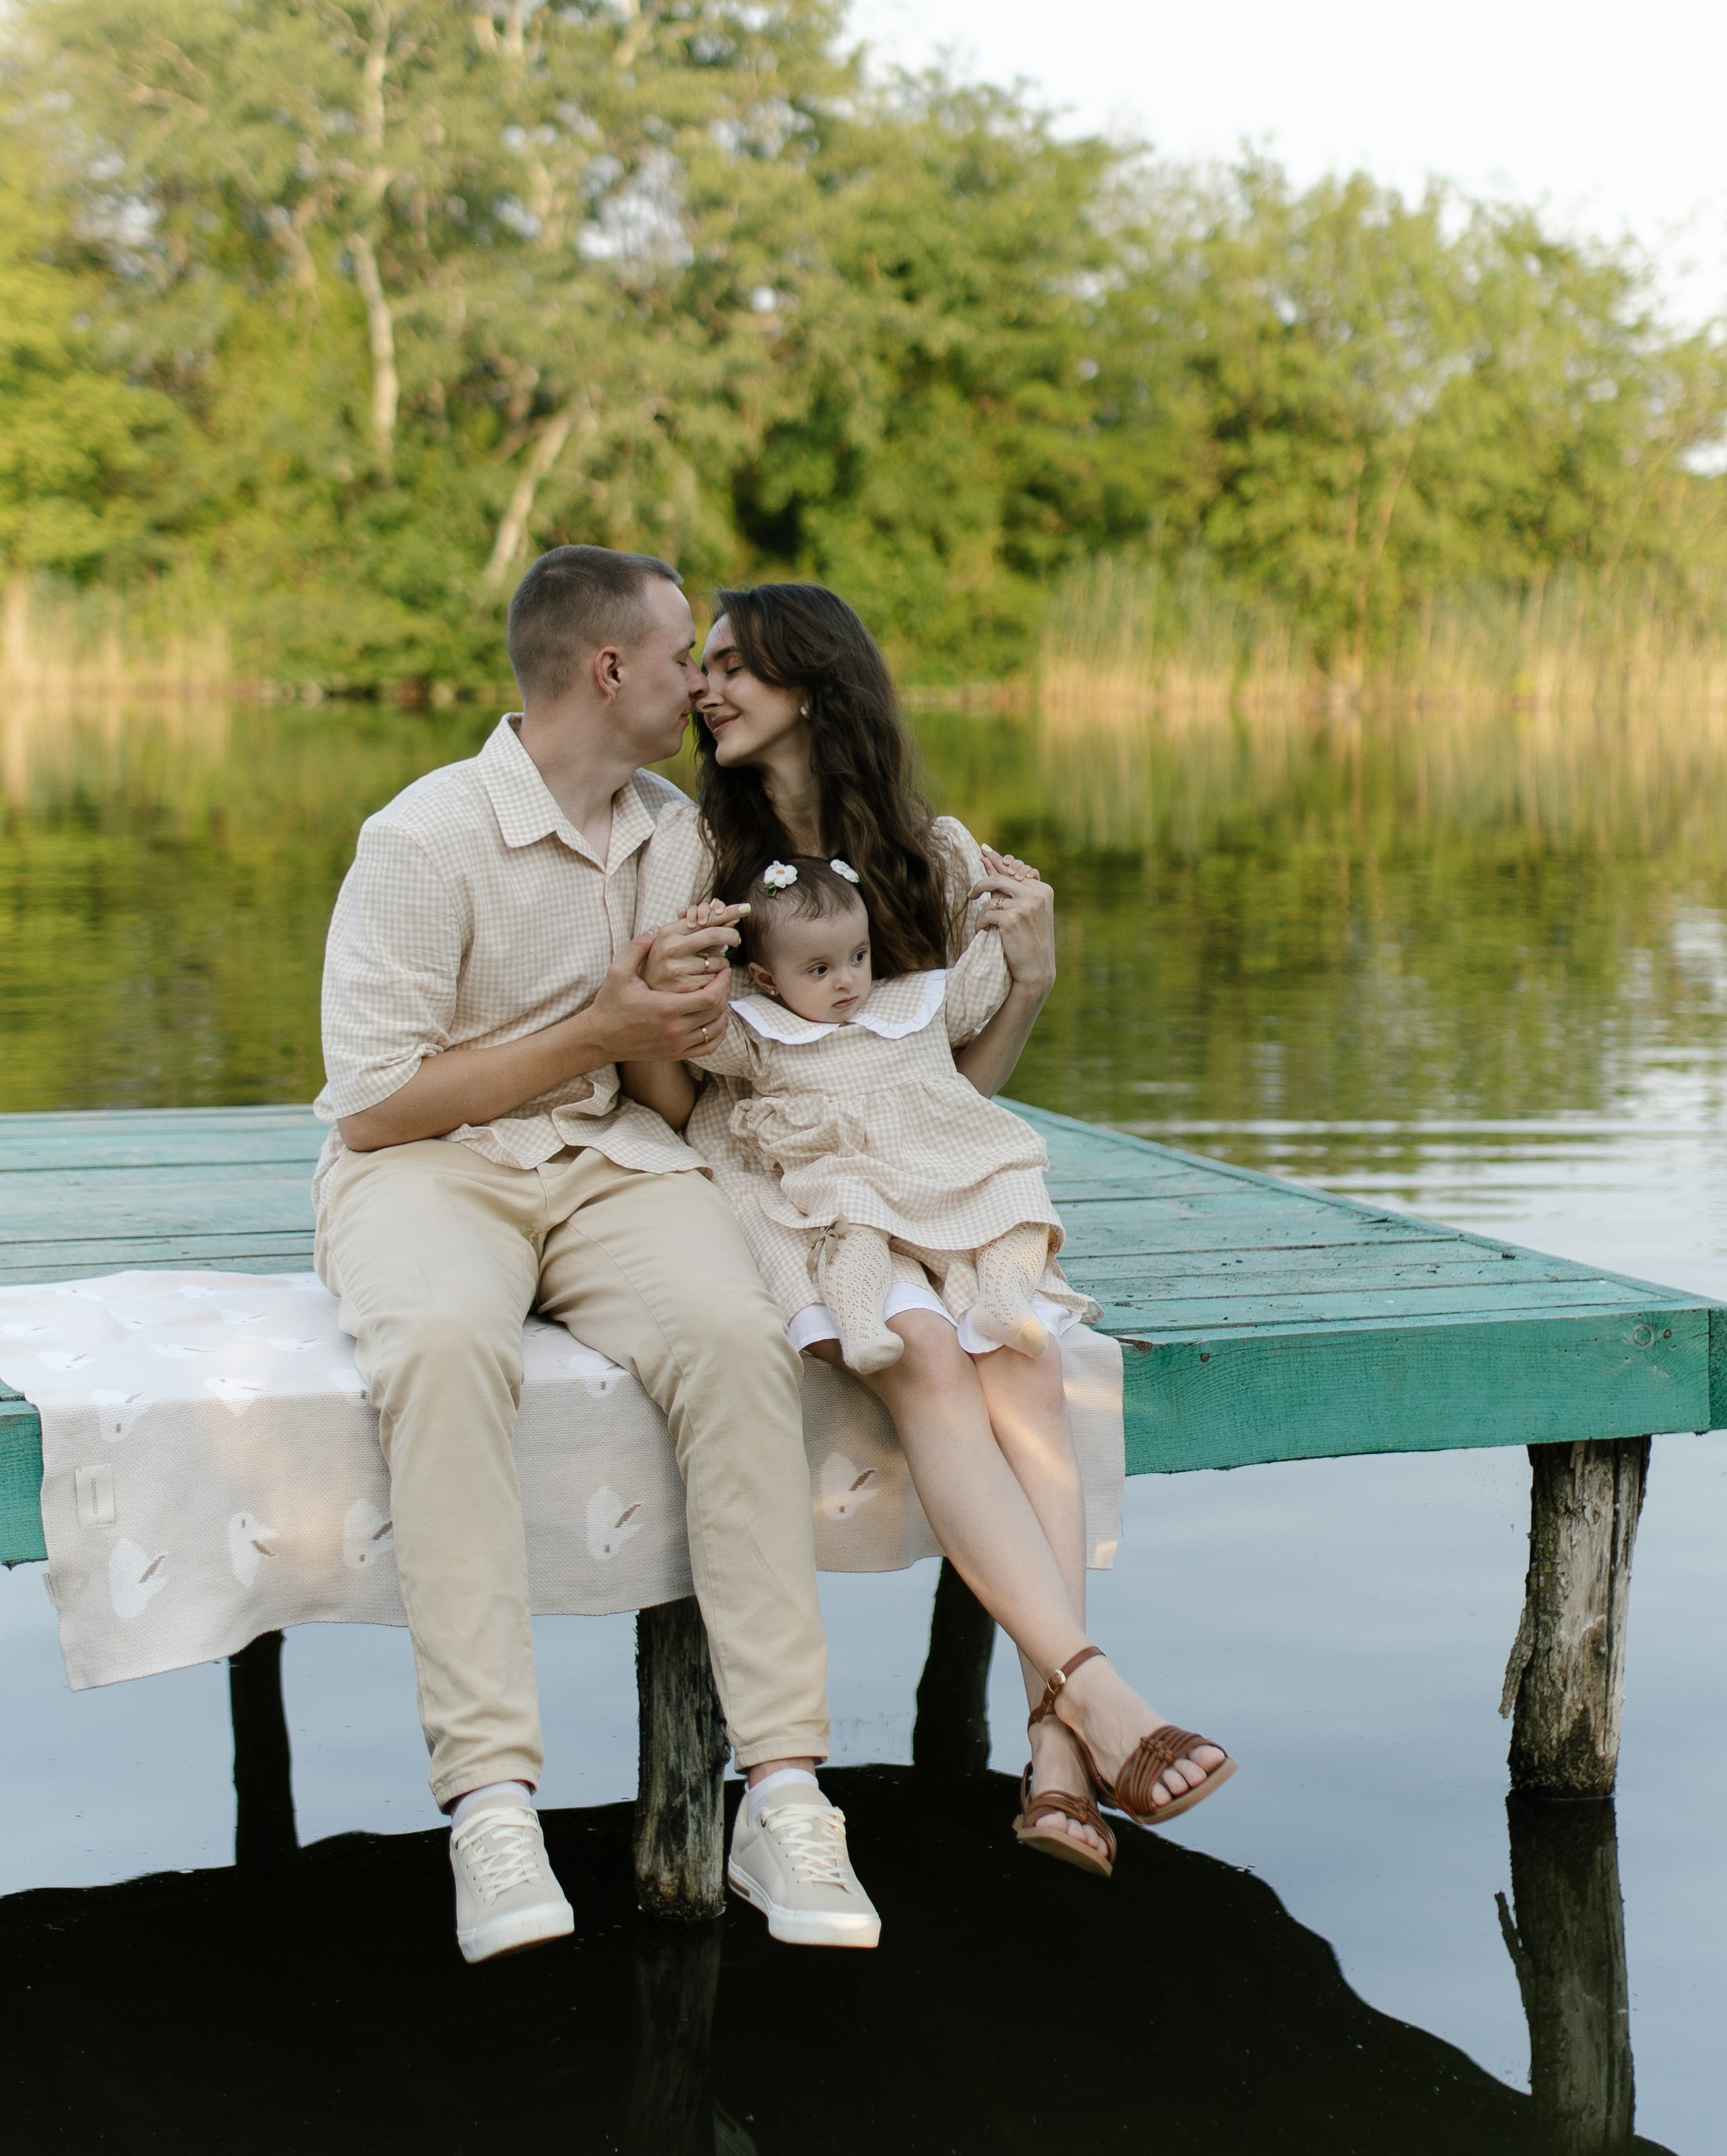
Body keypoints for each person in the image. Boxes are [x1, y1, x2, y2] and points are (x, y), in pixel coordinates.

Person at [312, 546, 880, 1962]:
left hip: (610, 1156)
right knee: (445, 1346)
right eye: (684, 657)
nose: (701, 683)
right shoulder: (422, 838)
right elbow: (375, 1106)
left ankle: (785, 1794)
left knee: (737, 1337)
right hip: (427, 1166)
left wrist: (675, 1037)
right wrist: (604, 1028)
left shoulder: (674, 836)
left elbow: (662, 1088)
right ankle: (491, 1803)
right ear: (608, 669)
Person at [683, 582, 1236, 1877]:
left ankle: (1055, 1755)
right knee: (927, 1354)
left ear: (813, 684)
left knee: (1023, 1361)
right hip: (782, 1174)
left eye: (734, 665)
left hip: (923, 1166)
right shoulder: (695, 853)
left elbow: (946, 1094)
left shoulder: (931, 855)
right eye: (701, 665)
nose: (705, 689)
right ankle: (1095, 1698)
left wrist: (1030, 981)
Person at [626, 855, 1100, 1373]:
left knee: (1018, 1198)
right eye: (819, 970)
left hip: (943, 1160)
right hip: (852, 1170)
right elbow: (696, 1035)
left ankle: (1005, 1298)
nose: (846, 981)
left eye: (858, 956)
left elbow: (979, 988)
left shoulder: (913, 1002)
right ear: (765, 978)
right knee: (854, 1227)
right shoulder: (761, 1032)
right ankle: (860, 1324)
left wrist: (1004, 908)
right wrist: (701, 960)